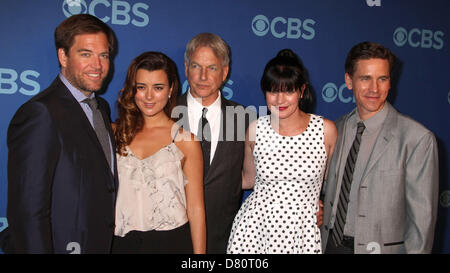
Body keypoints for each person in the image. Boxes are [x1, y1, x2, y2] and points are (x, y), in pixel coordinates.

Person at [6, 14, 117, 253]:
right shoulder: (41, 113)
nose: (97, 65)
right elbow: (28, 212)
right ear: (63, 56)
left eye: (104, 55)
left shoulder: (102, 109)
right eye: (85, 54)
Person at [321, 41, 439, 254]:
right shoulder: (334, 129)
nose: (374, 88)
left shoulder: (417, 139)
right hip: (329, 246)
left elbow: (421, 223)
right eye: (365, 78)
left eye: (382, 79)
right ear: (349, 81)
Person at [227, 49, 337, 254]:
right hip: (254, 233)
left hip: (302, 234)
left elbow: (332, 186)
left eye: (288, 91)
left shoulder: (326, 130)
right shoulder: (255, 130)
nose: (279, 100)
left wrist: (324, 208)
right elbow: (248, 180)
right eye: (273, 91)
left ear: (301, 91)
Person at [111, 52, 206, 254]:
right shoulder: (115, 133)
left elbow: (196, 208)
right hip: (120, 243)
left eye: (158, 88)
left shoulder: (185, 141)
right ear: (132, 89)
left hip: (171, 242)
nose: (149, 96)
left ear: (171, 89)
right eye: (141, 87)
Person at [175, 33, 254, 253]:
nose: (202, 76)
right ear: (186, 68)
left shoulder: (243, 118)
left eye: (211, 68)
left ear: (225, 72)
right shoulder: (165, 113)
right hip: (170, 238)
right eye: (196, 66)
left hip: (224, 239)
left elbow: (263, 175)